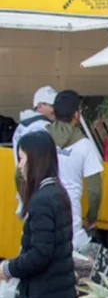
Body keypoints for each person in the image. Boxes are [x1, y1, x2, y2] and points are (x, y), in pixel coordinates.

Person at [0, 132, 76, 298]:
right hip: (61, 292)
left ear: (35, 160)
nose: (19, 167)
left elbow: (40, 254)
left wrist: (8, 269)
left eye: (21, 159)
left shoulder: (42, 200)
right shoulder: (57, 192)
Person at [48, 91, 104, 251]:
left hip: (41, 214)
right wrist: (91, 218)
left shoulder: (42, 137)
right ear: (77, 114)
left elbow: (21, 175)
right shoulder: (84, 146)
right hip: (69, 218)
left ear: (54, 113)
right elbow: (95, 191)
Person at [12, 86, 58, 216]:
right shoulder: (42, 128)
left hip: (26, 192)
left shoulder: (22, 126)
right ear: (40, 106)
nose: (56, 110)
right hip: (37, 192)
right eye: (52, 105)